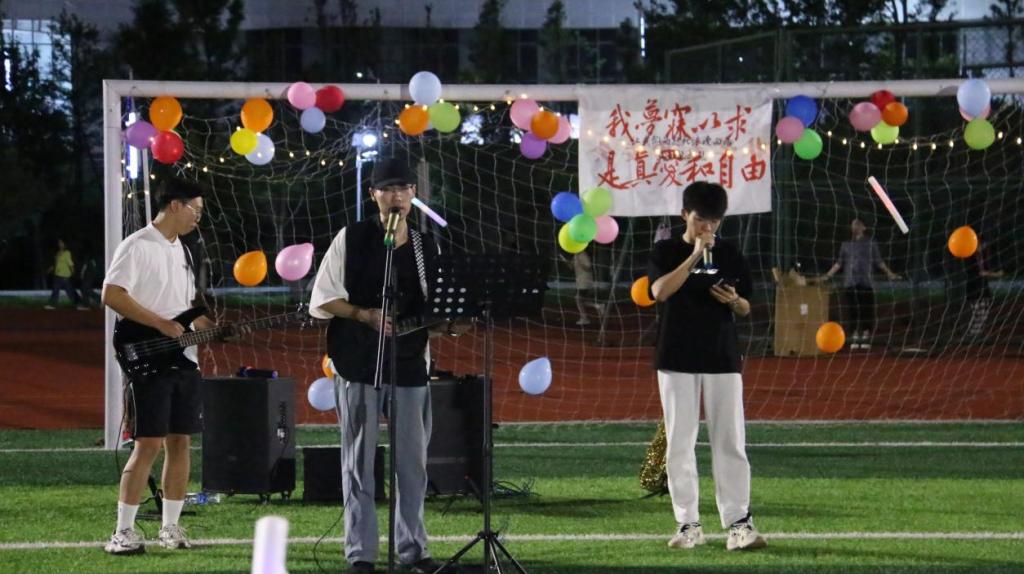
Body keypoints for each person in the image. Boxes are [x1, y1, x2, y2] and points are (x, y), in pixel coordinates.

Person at [309, 157, 462, 574]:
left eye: (404, 188)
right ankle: (361, 553)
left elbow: (434, 306)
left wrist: (447, 323)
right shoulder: (352, 237)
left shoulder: (425, 245)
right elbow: (323, 298)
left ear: (414, 193)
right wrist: (364, 315)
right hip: (357, 360)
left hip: (410, 362)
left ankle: (412, 549)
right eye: (388, 189)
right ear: (373, 194)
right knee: (358, 461)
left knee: (412, 463)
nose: (397, 196)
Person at [648, 181, 765, 552]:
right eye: (701, 220)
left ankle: (739, 523)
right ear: (685, 215)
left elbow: (745, 306)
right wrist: (695, 255)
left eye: (715, 221)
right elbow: (659, 292)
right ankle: (688, 524)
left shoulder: (730, 253)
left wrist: (734, 301)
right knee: (680, 441)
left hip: (722, 356)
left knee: (730, 440)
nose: (708, 227)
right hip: (676, 356)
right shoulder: (666, 250)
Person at [101, 179, 215, 555]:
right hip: (148, 357)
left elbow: (185, 307)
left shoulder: (184, 249)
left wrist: (210, 327)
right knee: (148, 443)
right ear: (175, 205)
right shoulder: (137, 245)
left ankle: (170, 527)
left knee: (180, 441)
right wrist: (161, 324)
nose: (198, 218)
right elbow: (112, 294)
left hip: (184, 359)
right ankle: (123, 531)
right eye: (196, 209)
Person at [821, 218, 900, 350]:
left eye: (858, 224)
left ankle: (865, 335)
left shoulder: (871, 243)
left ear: (864, 227)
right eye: (853, 225)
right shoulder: (846, 245)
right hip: (850, 282)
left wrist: (890, 273)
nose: (855, 227)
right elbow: (839, 263)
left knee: (866, 309)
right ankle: (855, 335)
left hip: (866, 282)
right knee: (852, 310)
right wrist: (828, 275)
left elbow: (879, 261)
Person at [44, 238, 85, 310]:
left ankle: (80, 304)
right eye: (59, 243)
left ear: (65, 244)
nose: (59, 244)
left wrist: (73, 273)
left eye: (61, 242)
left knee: (70, 292)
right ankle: (52, 304)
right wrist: (49, 270)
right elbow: (56, 264)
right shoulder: (58, 253)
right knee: (55, 290)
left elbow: (71, 264)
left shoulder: (67, 253)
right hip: (57, 275)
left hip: (65, 276)